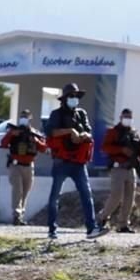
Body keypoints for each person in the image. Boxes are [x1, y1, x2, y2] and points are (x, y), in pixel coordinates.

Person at [45, 83, 106, 240]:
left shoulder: (81, 114)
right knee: (54, 196)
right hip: (61, 162)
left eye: (76, 96)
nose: (74, 99)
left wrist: (83, 135)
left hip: (78, 163)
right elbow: (50, 132)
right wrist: (69, 131)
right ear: (65, 98)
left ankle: (91, 229)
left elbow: (89, 132)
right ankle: (52, 229)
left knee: (86, 194)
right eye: (71, 96)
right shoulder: (56, 114)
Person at [98, 108, 140, 233]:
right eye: (125, 116)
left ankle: (123, 224)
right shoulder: (113, 132)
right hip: (118, 168)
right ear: (121, 117)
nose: (127, 119)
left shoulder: (134, 133)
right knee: (116, 196)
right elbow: (105, 147)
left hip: (131, 169)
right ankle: (102, 218)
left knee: (129, 198)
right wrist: (121, 150)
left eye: (130, 117)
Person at [0, 109, 47, 225]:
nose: (23, 118)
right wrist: (11, 134)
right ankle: (16, 215)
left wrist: (36, 141)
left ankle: (20, 215)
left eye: (26, 117)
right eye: (22, 116)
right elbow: (3, 144)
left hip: (29, 166)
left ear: (30, 119)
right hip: (15, 165)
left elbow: (44, 148)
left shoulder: (34, 133)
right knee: (17, 190)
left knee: (25, 192)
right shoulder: (14, 131)